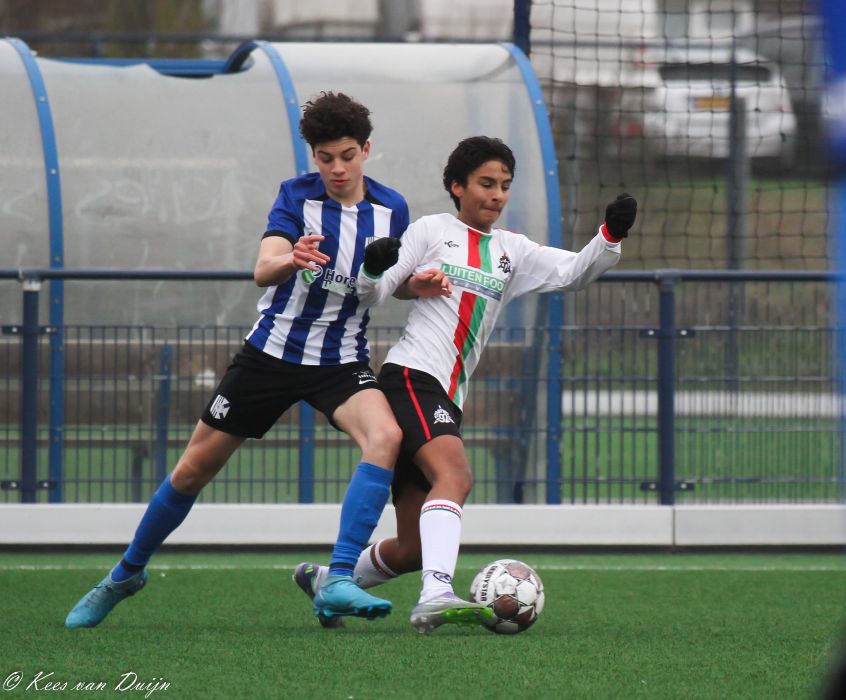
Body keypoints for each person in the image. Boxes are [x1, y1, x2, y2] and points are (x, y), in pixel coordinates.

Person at [65, 91, 413, 628]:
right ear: (313, 157)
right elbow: (263, 268)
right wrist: (292, 258)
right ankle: (125, 573)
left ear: (366, 150)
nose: (337, 168)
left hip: (342, 360)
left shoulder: (393, 210)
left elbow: (388, 282)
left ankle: (339, 577)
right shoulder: (296, 196)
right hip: (271, 354)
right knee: (192, 470)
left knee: (385, 437)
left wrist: (418, 283)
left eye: (347, 156)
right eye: (325, 158)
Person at [294, 136, 636, 633]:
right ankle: (436, 593)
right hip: (411, 378)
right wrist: (373, 265)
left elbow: (573, 273)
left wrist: (610, 236)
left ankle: (324, 581)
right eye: (486, 184)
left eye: (505, 186)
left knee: (412, 548)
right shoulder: (431, 230)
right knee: (455, 476)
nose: (497, 195)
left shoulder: (513, 250)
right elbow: (377, 290)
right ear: (457, 186)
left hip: (446, 396)